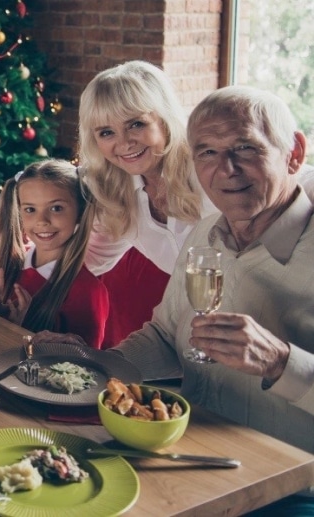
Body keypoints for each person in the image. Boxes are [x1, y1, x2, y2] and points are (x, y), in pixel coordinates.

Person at [46, 86, 314, 513]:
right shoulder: (206, 234)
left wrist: (280, 362)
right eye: (206, 152)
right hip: (191, 458)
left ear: (294, 153)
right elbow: (166, 335)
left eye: (245, 147)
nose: (226, 169)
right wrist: (92, 364)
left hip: (288, 488)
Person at [77, 61, 216, 347]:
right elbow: (92, 260)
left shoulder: (208, 166)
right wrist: (18, 266)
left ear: (164, 119)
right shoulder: (114, 190)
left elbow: (298, 178)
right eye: (106, 132)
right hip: (203, 335)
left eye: (136, 124)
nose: (124, 143)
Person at [0, 160, 109, 348]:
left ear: (80, 212)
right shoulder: (8, 266)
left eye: (56, 208)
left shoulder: (87, 291)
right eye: (30, 210)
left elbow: (83, 370)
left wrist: (18, 331)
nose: (42, 221)